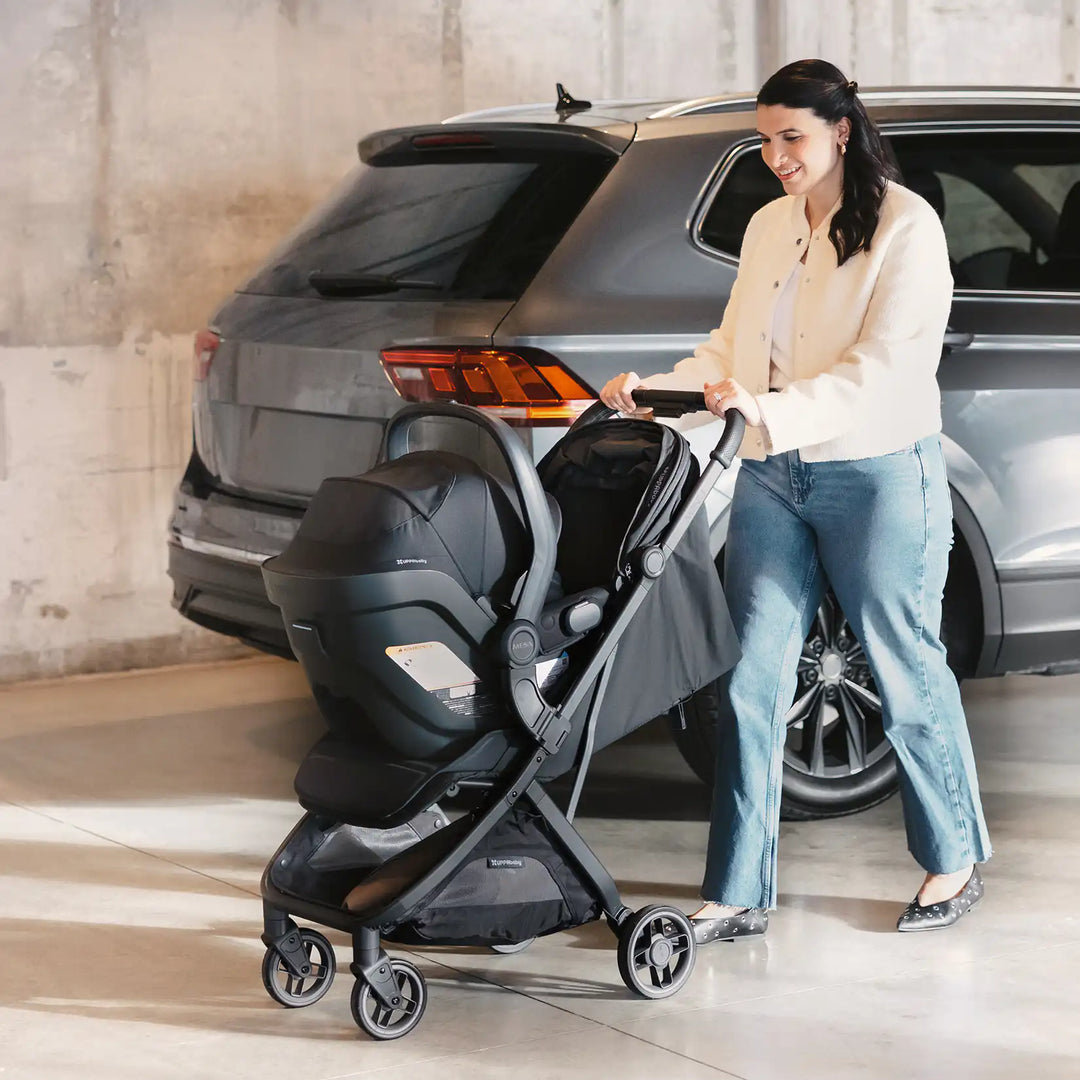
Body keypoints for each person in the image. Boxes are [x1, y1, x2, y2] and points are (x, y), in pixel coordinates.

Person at [600, 59, 991, 941]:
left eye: (792, 138)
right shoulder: (772, 226)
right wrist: (654, 389)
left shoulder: (906, 227)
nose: (775, 156)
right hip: (775, 475)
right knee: (748, 677)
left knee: (903, 665)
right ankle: (738, 892)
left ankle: (954, 860)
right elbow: (733, 353)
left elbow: (885, 374)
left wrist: (764, 411)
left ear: (840, 130)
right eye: (766, 138)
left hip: (878, 474)